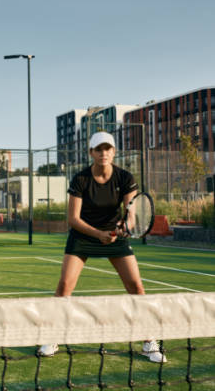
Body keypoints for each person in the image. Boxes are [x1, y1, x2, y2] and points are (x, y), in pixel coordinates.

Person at [37, 131, 166, 364]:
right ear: (91, 153)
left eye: (108, 149)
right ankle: (52, 336)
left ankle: (149, 342)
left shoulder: (125, 178)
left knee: (136, 286)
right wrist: (98, 234)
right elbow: (73, 219)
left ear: (114, 152)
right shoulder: (81, 179)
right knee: (65, 285)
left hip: (114, 238)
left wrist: (123, 227)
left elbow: (131, 216)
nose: (103, 153)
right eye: (99, 149)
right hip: (83, 235)